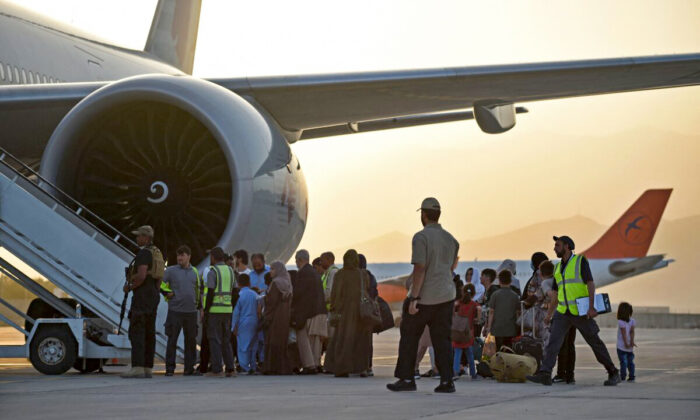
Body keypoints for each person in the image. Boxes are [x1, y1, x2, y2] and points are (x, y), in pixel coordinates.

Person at [388, 197, 460, 393]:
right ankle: (447, 381)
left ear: (424, 214)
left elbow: (420, 267)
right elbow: (450, 266)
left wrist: (414, 298)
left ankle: (406, 378)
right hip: (446, 295)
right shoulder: (451, 240)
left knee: (409, 338)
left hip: (425, 297)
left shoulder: (421, 237)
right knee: (442, 340)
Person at [527, 236, 620, 386]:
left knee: (594, 342)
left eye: (557, 245)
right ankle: (545, 373)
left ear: (567, 246)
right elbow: (556, 294)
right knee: (553, 343)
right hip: (563, 312)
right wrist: (550, 315)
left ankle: (613, 372)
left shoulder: (580, 262)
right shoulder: (557, 268)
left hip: (580, 312)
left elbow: (590, 283)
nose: (554, 248)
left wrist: (591, 307)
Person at [121, 225, 163, 379]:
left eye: (139, 236)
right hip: (153, 295)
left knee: (137, 331)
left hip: (142, 295)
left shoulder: (144, 253)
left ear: (146, 238)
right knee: (149, 332)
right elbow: (159, 278)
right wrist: (154, 293)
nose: (136, 238)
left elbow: (142, 275)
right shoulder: (157, 252)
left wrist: (130, 287)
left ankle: (137, 367)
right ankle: (147, 368)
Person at [325, 249, 372, 377]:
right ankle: (361, 367)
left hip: (345, 312)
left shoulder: (341, 274)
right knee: (360, 341)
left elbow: (336, 293)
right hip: (360, 313)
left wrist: (334, 308)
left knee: (343, 340)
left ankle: (342, 368)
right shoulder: (362, 274)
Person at [161, 245, 201, 376]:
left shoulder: (195, 271)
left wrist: (199, 307)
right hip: (175, 311)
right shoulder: (171, 271)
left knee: (190, 341)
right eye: (178, 255)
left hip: (191, 312)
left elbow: (198, 290)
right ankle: (170, 369)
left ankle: (189, 368)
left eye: (182, 255)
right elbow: (160, 282)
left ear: (189, 256)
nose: (179, 258)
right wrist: (166, 292)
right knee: (172, 340)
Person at [204, 247, 236, 377]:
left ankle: (217, 369)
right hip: (227, 310)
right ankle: (230, 369)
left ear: (213, 257)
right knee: (226, 340)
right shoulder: (230, 271)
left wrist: (206, 310)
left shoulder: (213, 271)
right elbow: (235, 292)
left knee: (214, 339)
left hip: (215, 310)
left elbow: (210, 292)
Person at [263, 261, 293, 375]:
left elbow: (271, 302)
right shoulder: (287, 282)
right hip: (285, 315)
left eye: (272, 269)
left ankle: (272, 367)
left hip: (275, 316)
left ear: (278, 270)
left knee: (273, 341)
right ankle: (283, 367)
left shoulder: (276, 283)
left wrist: (266, 315)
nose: (270, 271)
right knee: (282, 341)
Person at [292, 250, 319, 375]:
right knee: (313, 342)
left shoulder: (303, 273)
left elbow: (299, 294)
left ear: (300, 260)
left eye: (296, 261)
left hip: (305, 312)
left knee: (303, 340)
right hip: (315, 311)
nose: (296, 263)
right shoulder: (314, 272)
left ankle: (309, 365)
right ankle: (313, 364)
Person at [484, 270, 520, 350]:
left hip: (497, 329)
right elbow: (518, 313)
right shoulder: (515, 296)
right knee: (509, 350)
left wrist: (488, 327)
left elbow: (491, 312)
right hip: (511, 329)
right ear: (510, 281)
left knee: (497, 351)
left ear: (499, 281)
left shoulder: (495, 295)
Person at [232, 274, 259, 375]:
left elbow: (236, 313)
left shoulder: (240, 295)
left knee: (243, 346)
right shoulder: (254, 294)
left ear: (238, 283)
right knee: (253, 345)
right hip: (254, 321)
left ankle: (244, 367)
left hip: (243, 321)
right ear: (249, 282)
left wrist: (234, 326)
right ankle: (253, 366)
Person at [453, 283, 481, 380]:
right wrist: (476, 319)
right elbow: (479, 310)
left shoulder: (458, 303)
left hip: (457, 331)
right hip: (469, 332)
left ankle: (455, 372)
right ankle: (473, 374)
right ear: (473, 294)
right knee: (470, 354)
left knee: (457, 352)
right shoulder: (474, 304)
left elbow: (453, 312)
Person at [307, 257, 328, 372]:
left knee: (316, 339)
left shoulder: (321, 277)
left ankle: (315, 363)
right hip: (322, 311)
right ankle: (317, 362)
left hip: (320, 311)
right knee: (318, 340)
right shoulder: (321, 277)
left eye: (315, 268)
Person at [359, 253, 378, 376]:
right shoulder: (371, 276)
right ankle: (368, 366)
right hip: (369, 313)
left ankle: (360, 366)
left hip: (359, 312)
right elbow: (374, 293)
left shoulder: (357, 276)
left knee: (358, 340)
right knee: (368, 341)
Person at [617, 302, 636, 382]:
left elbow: (624, 333)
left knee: (623, 362)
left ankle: (622, 377)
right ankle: (631, 376)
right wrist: (631, 342)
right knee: (630, 362)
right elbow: (632, 332)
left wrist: (627, 344)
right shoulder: (632, 321)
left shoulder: (621, 322)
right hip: (628, 347)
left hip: (621, 346)